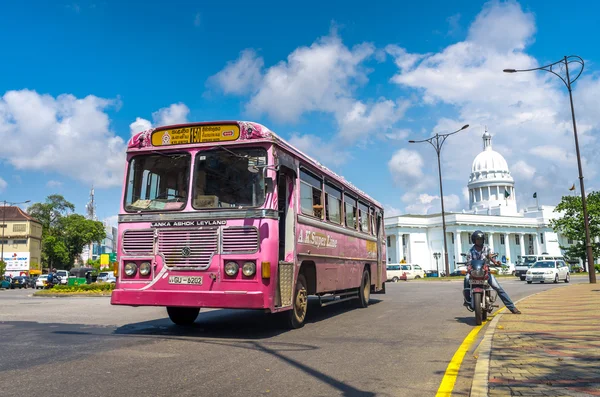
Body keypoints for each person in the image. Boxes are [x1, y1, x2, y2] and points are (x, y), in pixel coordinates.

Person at [463, 230, 521, 314]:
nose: (479, 241)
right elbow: (469, 261)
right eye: (477, 239)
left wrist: (495, 262)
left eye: (481, 239)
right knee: (466, 278)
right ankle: (467, 300)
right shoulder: (470, 251)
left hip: (485, 273)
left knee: (497, 288)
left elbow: (490, 256)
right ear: (474, 240)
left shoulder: (487, 249)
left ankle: (512, 307)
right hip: (474, 273)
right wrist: (468, 266)